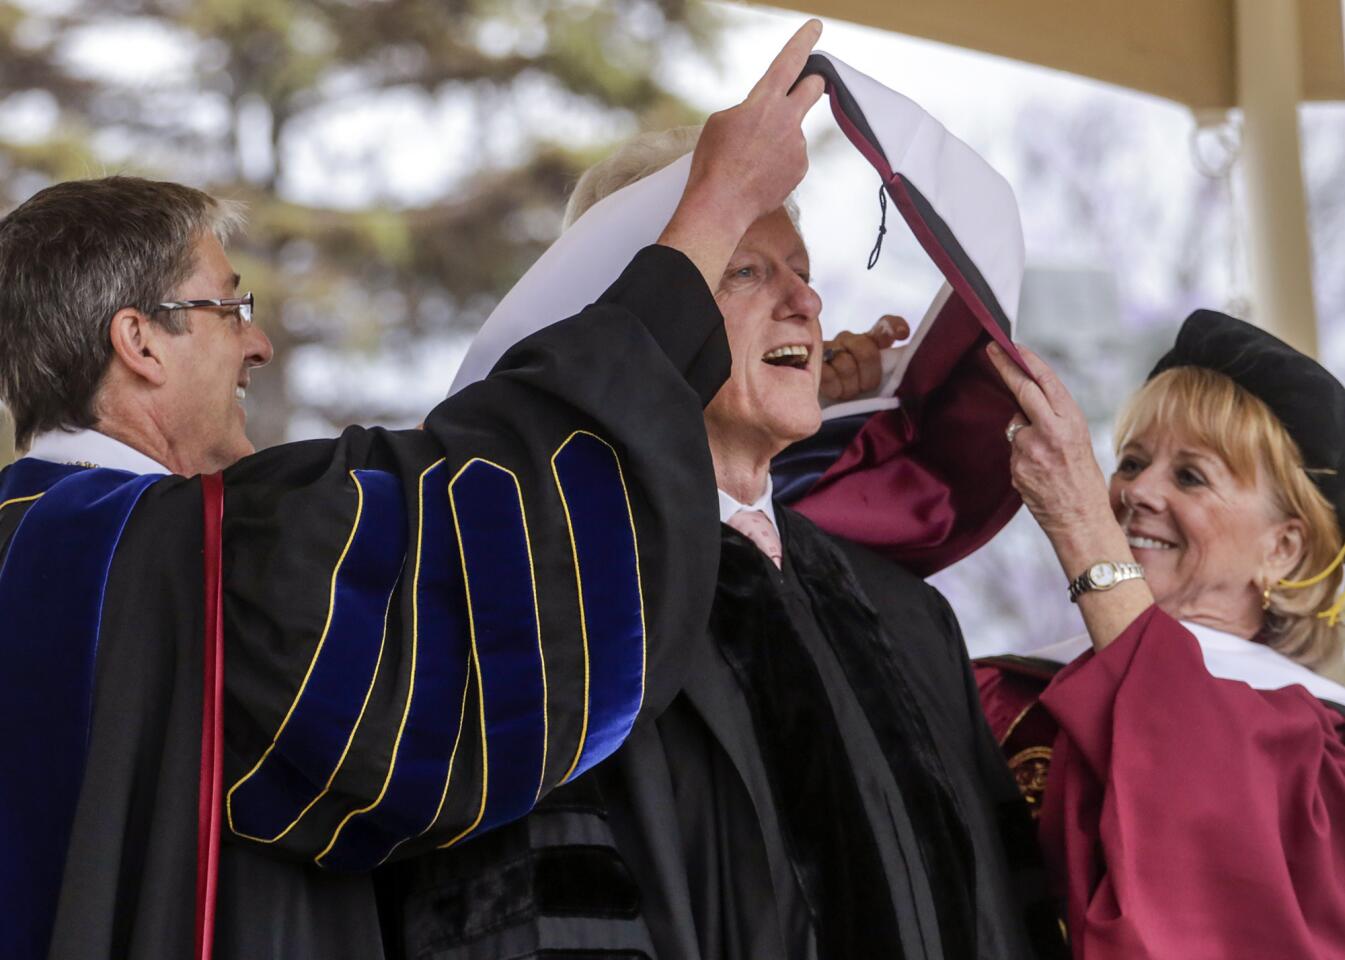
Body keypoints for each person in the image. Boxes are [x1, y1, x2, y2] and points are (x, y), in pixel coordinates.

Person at [0, 22, 827, 960]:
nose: (258, 344)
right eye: (231, 305)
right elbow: (498, 509)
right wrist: (715, 205)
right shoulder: (208, 551)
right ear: (139, 342)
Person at [374, 123, 1062, 959]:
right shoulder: (563, 613)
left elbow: (1007, 913)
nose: (804, 303)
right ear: (635, 317)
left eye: (802, 274)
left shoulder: (909, 619)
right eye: (746, 271)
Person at [975, 310, 1345, 958]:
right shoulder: (1002, 690)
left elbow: (1207, 886)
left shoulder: (1318, 753)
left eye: (1190, 476)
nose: (1134, 491)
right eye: (1130, 461)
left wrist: (1082, 533)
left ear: (1282, 549)